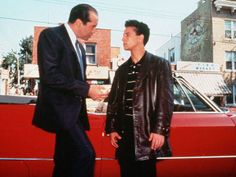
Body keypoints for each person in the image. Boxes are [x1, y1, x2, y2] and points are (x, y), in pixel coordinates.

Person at [32, 4, 107, 177]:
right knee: (86, 154)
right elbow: (50, 75)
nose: (94, 31)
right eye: (93, 26)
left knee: (65, 160)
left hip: (74, 115)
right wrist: (87, 89)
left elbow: (75, 79)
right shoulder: (50, 36)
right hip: (60, 112)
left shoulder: (80, 48)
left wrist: (92, 90)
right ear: (79, 22)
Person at [105, 20, 174, 177]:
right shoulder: (122, 70)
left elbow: (166, 100)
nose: (123, 38)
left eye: (127, 34)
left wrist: (160, 130)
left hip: (147, 133)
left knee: (145, 172)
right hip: (125, 135)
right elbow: (114, 101)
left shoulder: (159, 65)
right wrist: (112, 128)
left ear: (140, 38)